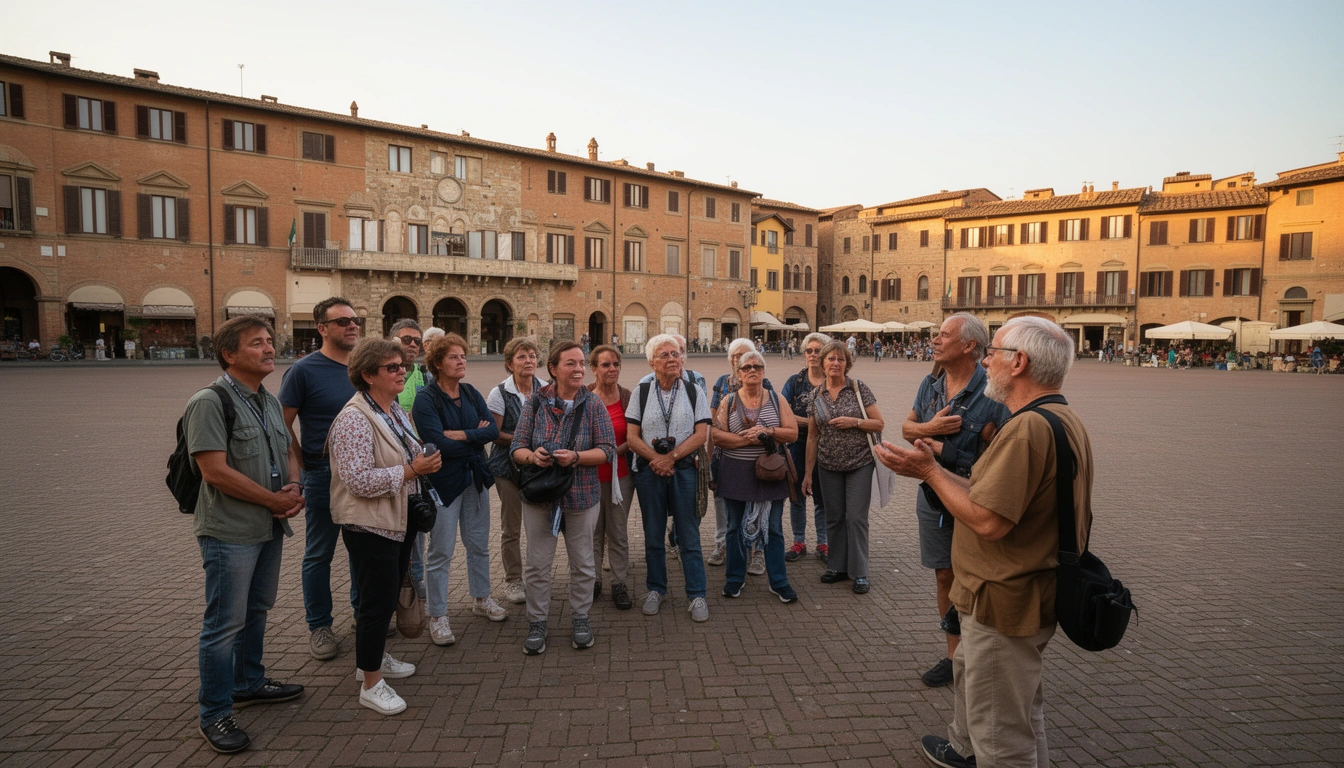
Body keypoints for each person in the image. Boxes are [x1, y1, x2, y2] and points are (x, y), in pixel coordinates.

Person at [877, 316, 1093, 768]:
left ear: (1019, 363)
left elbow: (990, 521)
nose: (986, 361)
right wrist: (931, 470)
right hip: (1016, 595)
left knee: (1002, 738)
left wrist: (930, 473)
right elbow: (988, 492)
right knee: (1021, 717)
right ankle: (962, 750)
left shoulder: (1027, 428)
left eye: (992, 352)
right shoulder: (1061, 417)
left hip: (1004, 600)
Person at [184, 315, 305, 753]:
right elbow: (214, 472)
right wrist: (273, 501)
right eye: (257, 343)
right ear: (229, 354)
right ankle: (214, 713)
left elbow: (288, 449)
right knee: (223, 624)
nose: (270, 348)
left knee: (257, 608)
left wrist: (293, 485)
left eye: (270, 341)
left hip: (268, 524)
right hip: (230, 531)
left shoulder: (267, 400)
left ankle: (249, 682)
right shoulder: (209, 401)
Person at [328, 337, 442, 716]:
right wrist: (413, 469)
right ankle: (371, 684)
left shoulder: (389, 409)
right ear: (367, 374)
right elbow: (356, 480)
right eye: (392, 367)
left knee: (388, 593)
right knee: (376, 601)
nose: (403, 372)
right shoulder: (353, 419)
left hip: (397, 517)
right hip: (370, 524)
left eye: (403, 366)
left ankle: (371, 659)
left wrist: (420, 459)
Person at [902, 313, 1010, 689]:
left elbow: (998, 458)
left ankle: (979, 658)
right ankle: (953, 657)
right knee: (944, 574)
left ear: (968, 345)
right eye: (936, 333)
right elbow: (906, 427)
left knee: (974, 578)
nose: (935, 339)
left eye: (944, 335)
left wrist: (942, 451)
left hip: (972, 499)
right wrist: (928, 430)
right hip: (932, 497)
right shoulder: (931, 385)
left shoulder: (994, 392)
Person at [510, 341, 616, 654]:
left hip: (582, 495)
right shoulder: (535, 402)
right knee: (537, 564)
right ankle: (537, 621)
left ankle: (581, 617)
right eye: (570, 363)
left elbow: (608, 450)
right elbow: (517, 447)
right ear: (554, 369)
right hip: (541, 496)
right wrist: (533, 457)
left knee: (583, 563)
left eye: (582, 363)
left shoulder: (593, 404)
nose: (579, 369)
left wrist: (578, 456)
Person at [280, 297, 364, 661]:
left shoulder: (364, 368)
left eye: (355, 319)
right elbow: (281, 427)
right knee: (319, 554)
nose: (351, 325)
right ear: (322, 329)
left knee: (364, 552)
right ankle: (320, 626)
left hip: (363, 474)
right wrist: (301, 471)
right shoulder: (303, 371)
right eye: (342, 320)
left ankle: (365, 615)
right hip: (323, 474)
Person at [412, 333, 505, 648]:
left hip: (475, 479)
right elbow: (435, 443)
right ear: (438, 363)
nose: (461, 361)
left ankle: (482, 598)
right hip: (444, 484)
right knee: (440, 551)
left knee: (478, 544)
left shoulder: (469, 391)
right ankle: (437, 615)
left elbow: (492, 429)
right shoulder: (427, 398)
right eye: (454, 357)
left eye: (463, 356)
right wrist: (473, 437)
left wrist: (462, 436)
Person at [627, 334, 712, 621]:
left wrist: (671, 457)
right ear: (652, 362)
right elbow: (631, 436)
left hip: (684, 469)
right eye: (664, 355)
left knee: (688, 535)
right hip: (650, 473)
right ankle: (656, 588)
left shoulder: (692, 391)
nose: (672, 359)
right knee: (653, 534)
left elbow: (701, 434)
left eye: (675, 354)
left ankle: (697, 594)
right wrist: (657, 459)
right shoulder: (641, 392)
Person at [711, 349, 800, 603]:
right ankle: (734, 579)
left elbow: (792, 433)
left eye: (757, 367)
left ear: (763, 372)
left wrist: (768, 431)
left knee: (773, 528)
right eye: (747, 367)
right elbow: (717, 436)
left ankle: (779, 582)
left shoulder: (776, 398)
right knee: (734, 527)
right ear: (738, 373)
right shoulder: (729, 401)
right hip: (736, 473)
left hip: (771, 473)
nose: (752, 371)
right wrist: (746, 439)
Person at [803, 340, 884, 594]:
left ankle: (860, 572)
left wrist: (856, 422)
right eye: (831, 359)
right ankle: (837, 567)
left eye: (840, 359)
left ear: (847, 364)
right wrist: (808, 473)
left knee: (856, 518)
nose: (835, 363)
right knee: (834, 517)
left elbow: (879, 423)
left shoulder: (858, 389)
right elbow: (812, 436)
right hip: (828, 465)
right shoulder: (816, 395)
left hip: (860, 462)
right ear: (822, 363)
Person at [485, 337, 547, 606]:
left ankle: (537, 577)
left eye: (532, 356)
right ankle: (513, 580)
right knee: (511, 527)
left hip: (538, 468)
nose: (529, 361)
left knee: (539, 525)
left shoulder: (546, 388)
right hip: (507, 468)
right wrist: (523, 441)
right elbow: (493, 433)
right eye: (522, 357)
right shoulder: (499, 393)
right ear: (510, 363)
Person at [708, 338, 775, 571]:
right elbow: (713, 423)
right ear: (732, 362)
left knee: (757, 502)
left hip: (758, 456)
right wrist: (710, 456)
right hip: (727, 454)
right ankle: (722, 544)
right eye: (737, 357)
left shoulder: (765, 384)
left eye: (747, 356)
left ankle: (757, 549)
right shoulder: (722, 383)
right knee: (723, 502)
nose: (742, 360)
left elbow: (774, 415)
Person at [588, 344, 635, 610]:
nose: (612, 369)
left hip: (621, 476)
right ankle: (593, 580)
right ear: (593, 369)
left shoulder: (628, 397)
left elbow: (634, 435)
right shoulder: (583, 396)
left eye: (616, 364)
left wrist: (610, 452)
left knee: (617, 532)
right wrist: (597, 455)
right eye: (606, 365)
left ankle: (619, 583)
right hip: (589, 477)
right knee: (592, 532)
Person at [780, 333, 830, 563]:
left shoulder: (834, 381)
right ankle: (799, 541)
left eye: (817, 350)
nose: (812, 355)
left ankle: (824, 542)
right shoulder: (795, 382)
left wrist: (805, 421)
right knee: (797, 496)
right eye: (808, 351)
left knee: (823, 497)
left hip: (827, 448)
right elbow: (782, 412)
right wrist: (814, 423)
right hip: (797, 446)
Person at [389, 320, 429, 601]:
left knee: (417, 528)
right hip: (388, 463)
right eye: (406, 339)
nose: (412, 344)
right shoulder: (377, 376)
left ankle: (414, 589)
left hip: (417, 465)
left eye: (417, 340)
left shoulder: (422, 375)